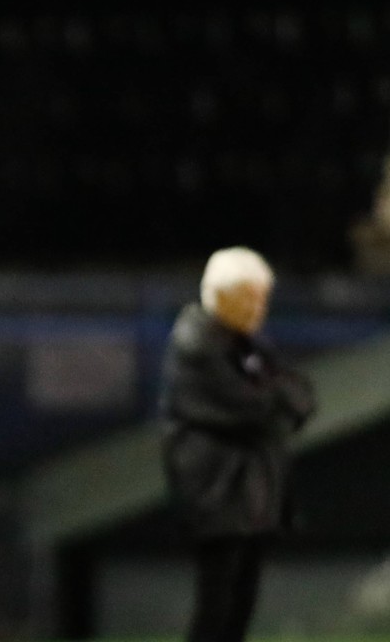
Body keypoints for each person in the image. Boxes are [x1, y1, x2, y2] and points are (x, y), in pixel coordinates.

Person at [158, 246, 316, 642]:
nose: (260, 306)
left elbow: (300, 396)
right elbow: (256, 408)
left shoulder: (246, 344)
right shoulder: (197, 343)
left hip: (251, 496)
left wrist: (277, 398)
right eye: (252, 295)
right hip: (217, 494)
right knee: (217, 605)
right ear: (224, 296)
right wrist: (276, 399)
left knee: (241, 602)